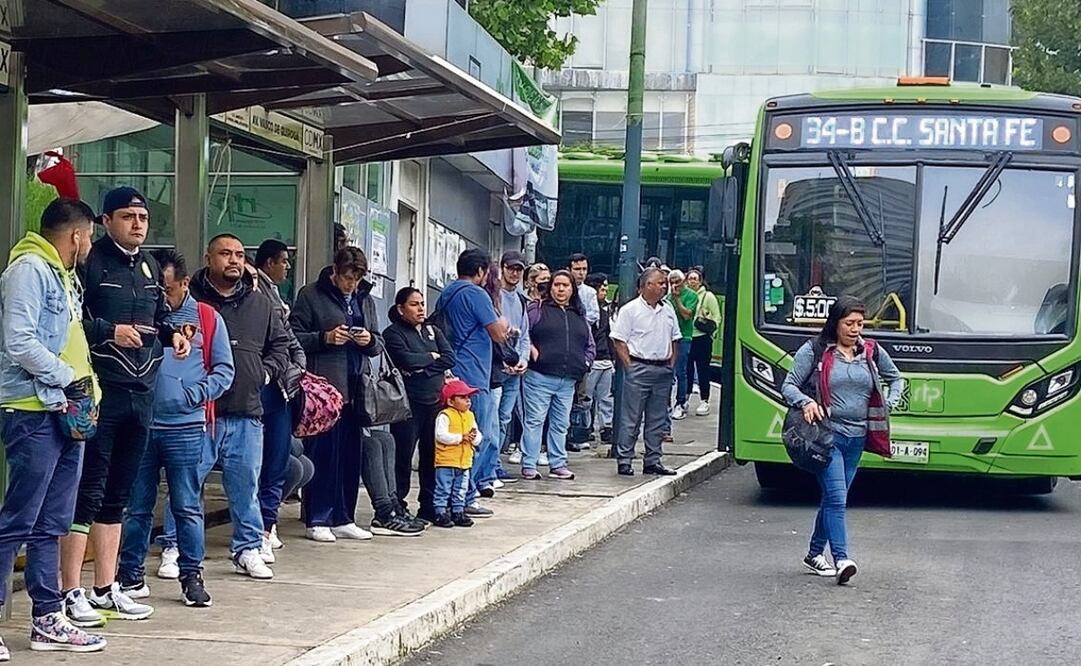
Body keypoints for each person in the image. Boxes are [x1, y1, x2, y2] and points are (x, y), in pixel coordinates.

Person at [62, 186, 191, 627]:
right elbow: (73, 319)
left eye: (143, 217)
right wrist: (110, 331)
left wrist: (174, 332)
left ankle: (106, 586)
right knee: (87, 491)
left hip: (142, 394)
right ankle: (69, 591)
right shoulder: (89, 262)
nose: (138, 224)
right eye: (128, 216)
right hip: (100, 391)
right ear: (106, 221)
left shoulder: (152, 265)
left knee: (121, 494)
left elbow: (159, 316)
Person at [0, 199, 106, 655]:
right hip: (33, 410)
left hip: (66, 412)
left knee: (52, 523)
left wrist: (85, 390)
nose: (89, 245)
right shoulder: (29, 269)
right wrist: (69, 377)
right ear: (77, 236)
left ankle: (48, 618)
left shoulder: (64, 275)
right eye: (89, 237)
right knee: (18, 521)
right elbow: (18, 340)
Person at [117, 250, 233, 608]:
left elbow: (224, 371)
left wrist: (193, 395)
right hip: (142, 423)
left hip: (184, 427)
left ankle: (191, 575)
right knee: (136, 507)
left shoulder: (206, 318)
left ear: (184, 283)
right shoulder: (143, 313)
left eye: (166, 288)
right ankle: (129, 576)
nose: (160, 295)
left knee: (186, 504)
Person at [291, 247, 422, 539]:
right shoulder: (310, 295)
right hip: (324, 390)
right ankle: (318, 517)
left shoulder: (364, 298)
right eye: (347, 278)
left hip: (357, 386)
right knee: (323, 454)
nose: (351, 284)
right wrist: (325, 338)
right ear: (335, 272)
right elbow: (293, 337)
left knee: (351, 454)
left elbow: (378, 343)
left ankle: (343, 516)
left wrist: (367, 339)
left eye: (357, 278)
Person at [189, 233, 291, 580]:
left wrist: (264, 374)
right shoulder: (190, 299)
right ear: (208, 258)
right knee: (188, 482)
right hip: (201, 410)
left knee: (246, 485)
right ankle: (178, 548)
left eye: (238, 254)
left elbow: (281, 346)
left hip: (247, 410)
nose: (233, 260)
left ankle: (248, 548)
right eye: (224, 254)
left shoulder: (261, 303)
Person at [780, 296, 903, 585]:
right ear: (835, 323)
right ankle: (842, 558)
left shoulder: (871, 351)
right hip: (827, 437)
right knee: (837, 498)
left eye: (860, 323)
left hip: (857, 437)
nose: (855, 329)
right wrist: (806, 402)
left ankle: (813, 553)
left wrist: (890, 403)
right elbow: (788, 385)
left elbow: (895, 378)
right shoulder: (815, 350)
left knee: (834, 497)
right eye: (849, 323)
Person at [433, 249, 509, 516]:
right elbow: (498, 333)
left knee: (451, 439)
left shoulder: (447, 293)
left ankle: (449, 497)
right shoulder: (477, 294)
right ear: (481, 271)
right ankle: (465, 497)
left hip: (452, 371)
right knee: (478, 436)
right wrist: (506, 323)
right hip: (474, 375)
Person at [253, 239, 306, 557]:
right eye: (283, 261)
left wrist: (298, 365)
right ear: (268, 262)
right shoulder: (254, 289)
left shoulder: (274, 293)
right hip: (256, 385)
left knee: (279, 460)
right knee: (254, 464)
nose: (287, 266)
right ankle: (254, 527)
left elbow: (287, 339)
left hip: (281, 386)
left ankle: (266, 524)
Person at [385, 287, 456, 522]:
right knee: (402, 456)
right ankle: (398, 504)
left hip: (434, 402)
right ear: (401, 308)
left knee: (431, 455)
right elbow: (404, 359)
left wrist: (422, 368)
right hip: (408, 404)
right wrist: (431, 358)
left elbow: (449, 357)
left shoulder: (432, 331)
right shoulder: (394, 333)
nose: (421, 308)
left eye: (422, 303)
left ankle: (429, 505)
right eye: (414, 304)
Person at [520, 270, 595, 480]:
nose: (560, 289)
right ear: (550, 287)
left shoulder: (579, 315)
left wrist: (585, 362)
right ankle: (529, 464)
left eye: (565, 285)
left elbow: (590, 344)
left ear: (572, 289)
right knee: (535, 421)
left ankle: (558, 463)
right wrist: (533, 352)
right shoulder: (537, 309)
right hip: (539, 377)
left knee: (561, 423)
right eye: (556, 285)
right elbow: (523, 333)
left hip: (568, 379)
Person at [610, 268, 682, 477]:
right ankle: (625, 459)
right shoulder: (630, 310)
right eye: (660, 283)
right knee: (631, 418)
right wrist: (629, 367)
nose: (664, 286)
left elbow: (675, 339)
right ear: (646, 285)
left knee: (657, 418)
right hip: (639, 366)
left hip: (662, 369)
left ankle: (653, 460)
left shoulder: (667, 310)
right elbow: (619, 340)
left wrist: (671, 364)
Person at [494, 251, 530, 481]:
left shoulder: (520, 300)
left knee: (505, 418)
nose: (514, 273)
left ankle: (495, 462)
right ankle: (488, 465)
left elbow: (525, 335)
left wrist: (523, 360)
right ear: (502, 268)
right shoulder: (493, 296)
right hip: (498, 368)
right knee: (492, 418)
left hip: (515, 371)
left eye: (519, 269)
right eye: (511, 268)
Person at [432, 380, 483, 528]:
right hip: (447, 461)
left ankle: (458, 511)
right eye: (462, 397)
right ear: (450, 401)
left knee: (460, 488)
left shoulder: (470, 416)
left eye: (468, 398)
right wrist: (461, 438)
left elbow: (478, 434)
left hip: (464, 461)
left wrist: (475, 438)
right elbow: (440, 435)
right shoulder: (445, 415)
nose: (468, 401)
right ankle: (440, 512)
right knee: (443, 488)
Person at [583, 273, 614, 444]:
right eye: (602, 289)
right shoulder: (588, 314)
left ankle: (606, 427)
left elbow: (609, 335)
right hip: (593, 360)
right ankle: (586, 427)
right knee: (587, 398)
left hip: (606, 359)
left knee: (606, 397)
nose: (605, 292)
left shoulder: (606, 311)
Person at [685, 269, 720, 416]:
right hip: (687, 337)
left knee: (703, 370)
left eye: (695, 279)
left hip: (702, 338)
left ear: (700, 281)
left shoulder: (708, 296)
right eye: (690, 278)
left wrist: (712, 333)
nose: (692, 281)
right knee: (686, 371)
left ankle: (704, 401)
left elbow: (717, 317)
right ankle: (684, 399)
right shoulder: (684, 295)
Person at [666, 269, 699, 421]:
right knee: (667, 372)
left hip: (684, 337)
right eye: (671, 282)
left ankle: (681, 402)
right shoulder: (667, 298)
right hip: (668, 338)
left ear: (683, 281)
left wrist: (678, 299)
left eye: (677, 282)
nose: (674, 286)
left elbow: (687, 315)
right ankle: (666, 404)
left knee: (681, 371)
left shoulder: (691, 296)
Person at [568, 253, 599, 325]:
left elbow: (594, 316)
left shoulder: (590, 292)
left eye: (584, 269)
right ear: (568, 270)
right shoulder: (560, 289)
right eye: (577, 269)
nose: (581, 273)